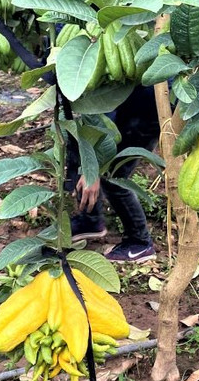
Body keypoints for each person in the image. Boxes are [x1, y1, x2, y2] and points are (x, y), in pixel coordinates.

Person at [66, 83, 160, 263]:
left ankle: (140, 243)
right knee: (81, 154)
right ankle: (90, 221)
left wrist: (93, 168)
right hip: (127, 103)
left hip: (144, 110)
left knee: (113, 177)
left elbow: (105, 111)